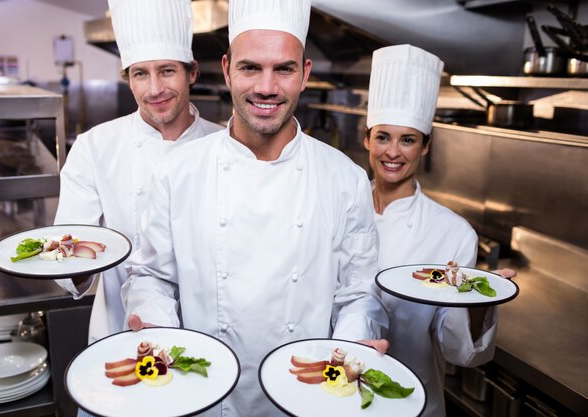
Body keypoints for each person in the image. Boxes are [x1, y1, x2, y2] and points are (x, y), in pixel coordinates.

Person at [121, 0, 389, 415]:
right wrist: (158, 331)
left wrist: (352, 346)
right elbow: (151, 276)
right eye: (251, 68)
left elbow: (357, 292)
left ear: (305, 75)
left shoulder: (344, 177)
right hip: (206, 395)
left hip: (307, 394)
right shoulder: (179, 171)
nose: (267, 87)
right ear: (227, 70)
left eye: (284, 68)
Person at [53, 0, 222, 345]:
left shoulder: (225, 144)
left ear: (192, 72)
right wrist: (74, 259)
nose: (154, 89)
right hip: (121, 331)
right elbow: (68, 255)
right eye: (140, 73)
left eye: (167, 71)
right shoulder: (94, 147)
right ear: (127, 79)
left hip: (213, 337)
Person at [364, 44, 515, 417]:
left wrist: (483, 301)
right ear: (366, 139)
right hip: (330, 395)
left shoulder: (453, 232)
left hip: (412, 401)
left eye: (409, 139)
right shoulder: (338, 209)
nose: (393, 152)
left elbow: (459, 351)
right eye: (383, 136)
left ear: (426, 146)